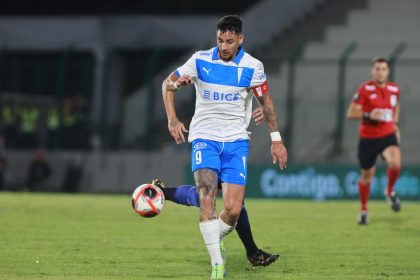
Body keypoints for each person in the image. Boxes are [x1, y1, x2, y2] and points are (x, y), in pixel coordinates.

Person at [162, 15, 288, 278]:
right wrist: (173, 117)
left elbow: (266, 102)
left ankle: (206, 231)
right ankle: (217, 265)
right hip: (204, 138)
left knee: (232, 209)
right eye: (220, 40)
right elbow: (168, 83)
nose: (224, 46)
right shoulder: (200, 60)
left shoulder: (253, 66)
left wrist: (276, 140)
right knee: (207, 198)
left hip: (236, 142)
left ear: (241, 39)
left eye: (230, 41)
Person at [346, 57, 402, 225]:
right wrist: (369, 114)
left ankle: (390, 191)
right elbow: (350, 113)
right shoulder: (365, 89)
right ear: (372, 71)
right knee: (366, 176)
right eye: (377, 68)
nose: (380, 72)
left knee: (395, 162)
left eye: (383, 68)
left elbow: (396, 107)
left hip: (387, 134)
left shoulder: (394, 89)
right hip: (368, 138)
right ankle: (363, 210)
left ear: (388, 71)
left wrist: (395, 125)